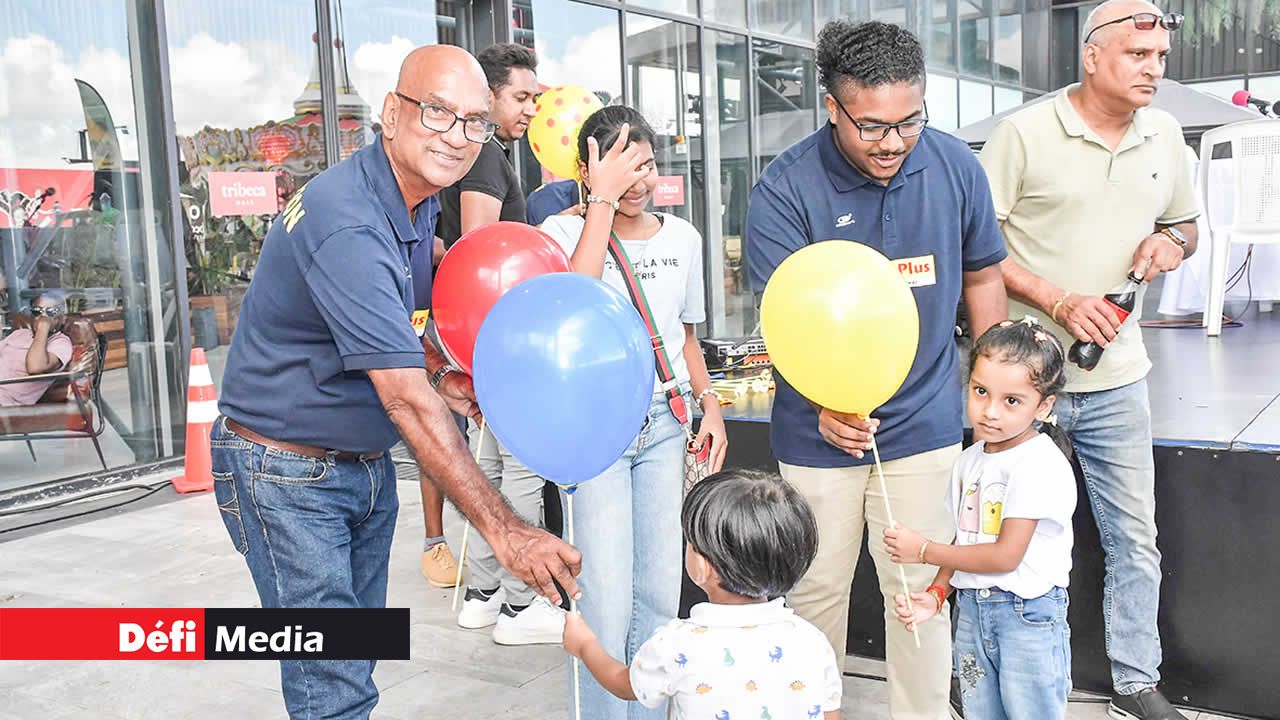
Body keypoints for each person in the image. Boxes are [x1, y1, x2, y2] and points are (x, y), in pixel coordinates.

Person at [210, 45, 581, 720]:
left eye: (472, 121)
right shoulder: (348, 219)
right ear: (391, 112)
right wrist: (507, 532)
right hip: (286, 473)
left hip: (359, 464)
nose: (456, 136)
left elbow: (387, 332)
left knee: (354, 658)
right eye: (437, 112)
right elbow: (404, 397)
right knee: (334, 682)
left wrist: (439, 368)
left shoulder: (412, 200)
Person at [744, 20, 1007, 720]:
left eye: (908, 122)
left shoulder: (955, 167)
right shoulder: (785, 187)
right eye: (871, 126)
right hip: (816, 433)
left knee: (919, 588)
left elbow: (983, 277)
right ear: (832, 107)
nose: (892, 143)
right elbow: (781, 318)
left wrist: (993, 388)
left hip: (926, 423)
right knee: (815, 590)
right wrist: (823, 401)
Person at [977, 2, 1197, 717]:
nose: (1153, 70)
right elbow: (976, 241)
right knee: (994, 532)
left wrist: (1175, 245)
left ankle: (1136, 682)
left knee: (1136, 539)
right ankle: (978, 672)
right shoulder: (1023, 134)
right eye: (1138, 55)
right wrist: (1058, 299)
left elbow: (1184, 221)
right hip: (1020, 380)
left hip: (1118, 377)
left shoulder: (1166, 134)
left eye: (1160, 58)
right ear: (1092, 55)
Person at [539, 105, 728, 720]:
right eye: (622, 168)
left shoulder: (684, 238)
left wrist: (712, 407)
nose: (639, 180)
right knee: (604, 597)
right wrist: (600, 204)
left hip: (666, 423)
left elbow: (686, 337)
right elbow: (576, 305)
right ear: (591, 171)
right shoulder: (566, 236)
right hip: (597, 429)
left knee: (657, 592)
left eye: (645, 163)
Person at [429, 42, 566, 645]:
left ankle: (483, 594)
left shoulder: (484, 155)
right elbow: (478, 251)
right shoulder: (485, 157)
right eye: (521, 96)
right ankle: (518, 603)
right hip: (495, 330)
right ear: (486, 98)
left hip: (478, 332)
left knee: (487, 462)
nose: (533, 108)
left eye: (535, 97)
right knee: (520, 468)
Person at [884, 319, 1075, 720]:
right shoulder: (971, 459)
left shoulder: (1037, 464)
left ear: (1044, 406)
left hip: (1027, 615)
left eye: (1012, 401)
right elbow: (964, 542)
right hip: (972, 610)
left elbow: (1006, 556)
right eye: (981, 391)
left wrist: (921, 550)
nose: (989, 411)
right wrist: (937, 594)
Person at [563, 469, 841, 720]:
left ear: (702, 566)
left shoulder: (676, 641)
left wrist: (585, 645)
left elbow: (624, 684)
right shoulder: (812, 641)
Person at [0, 292, 73, 407]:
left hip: (7, 401)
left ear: (62, 319)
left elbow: (35, 367)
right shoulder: (20, 333)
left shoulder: (61, 343)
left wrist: (43, 328)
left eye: (50, 312)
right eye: (37, 311)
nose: (42, 317)